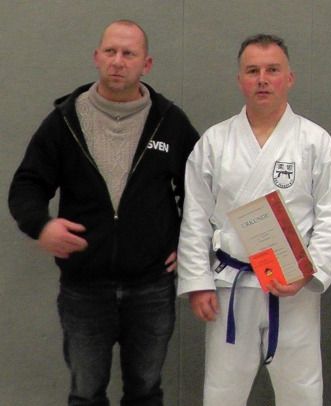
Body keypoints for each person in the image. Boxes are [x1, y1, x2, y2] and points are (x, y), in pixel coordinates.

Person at [8, 20, 199, 405]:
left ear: (146, 64)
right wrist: (41, 225)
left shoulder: (169, 122)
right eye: (110, 51)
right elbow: (27, 184)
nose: (118, 61)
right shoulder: (65, 121)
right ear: (96, 57)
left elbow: (201, 191)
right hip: (84, 288)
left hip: (151, 287)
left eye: (129, 53)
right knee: (85, 392)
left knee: (145, 391)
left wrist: (188, 243)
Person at [176, 33, 331, 406]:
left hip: (293, 287)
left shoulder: (314, 141)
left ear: (290, 78)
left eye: (272, 70)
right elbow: (195, 217)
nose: (262, 79)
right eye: (252, 71)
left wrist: (310, 271)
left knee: (301, 390)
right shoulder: (215, 142)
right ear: (240, 79)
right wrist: (198, 282)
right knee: (222, 391)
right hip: (231, 285)